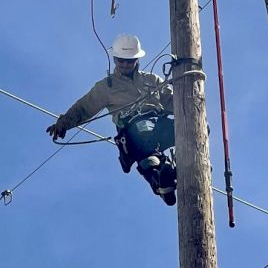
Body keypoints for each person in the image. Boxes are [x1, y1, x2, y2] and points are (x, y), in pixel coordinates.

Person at [46, 34, 177, 205]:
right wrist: (64, 123)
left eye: (129, 61)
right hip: (135, 129)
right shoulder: (107, 87)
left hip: (158, 124)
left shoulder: (151, 80)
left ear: (137, 59)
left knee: (194, 130)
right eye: (121, 60)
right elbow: (84, 107)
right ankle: (160, 181)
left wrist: (191, 104)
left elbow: (172, 102)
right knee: (145, 139)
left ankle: (183, 165)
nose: (125, 65)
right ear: (114, 59)